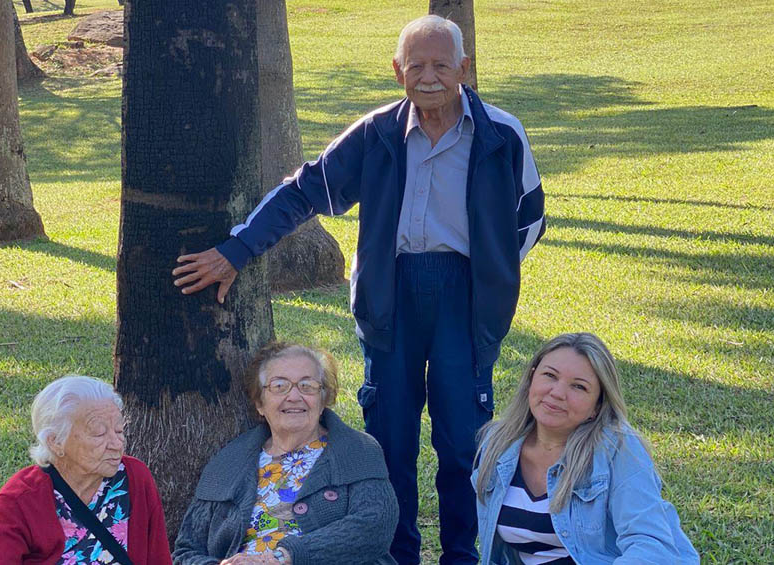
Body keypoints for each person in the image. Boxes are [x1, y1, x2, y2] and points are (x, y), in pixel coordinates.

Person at [172, 14, 544, 565]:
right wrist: (238, 249)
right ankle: (395, 555)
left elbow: (529, 217)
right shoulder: (376, 134)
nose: (430, 76)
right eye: (416, 65)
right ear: (397, 72)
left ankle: (464, 555)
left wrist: (489, 274)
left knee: (463, 439)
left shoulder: (501, 134)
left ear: (464, 69)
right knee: (389, 438)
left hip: (463, 304)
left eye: (443, 64)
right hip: (390, 300)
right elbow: (302, 191)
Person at [472, 333, 699, 564]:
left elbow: (651, 543)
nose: (558, 393)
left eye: (578, 387)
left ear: (597, 406)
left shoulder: (618, 449)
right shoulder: (498, 442)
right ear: (532, 378)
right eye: (550, 375)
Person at [173, 342, 398, 565]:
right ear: (259, 403)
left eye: (307, 386)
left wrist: (283, 557)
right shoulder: (229, 462)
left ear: (323, 400)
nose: (294, 396)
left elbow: (375, 524)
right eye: (279, 386)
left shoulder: (357, 449)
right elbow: (186, 551)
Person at [0, 375, 172, 565]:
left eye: (119, 430)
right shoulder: (19, 501)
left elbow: (158, 558)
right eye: (99, 433)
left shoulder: (134, 478)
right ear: (55, 442)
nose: (117, 444)